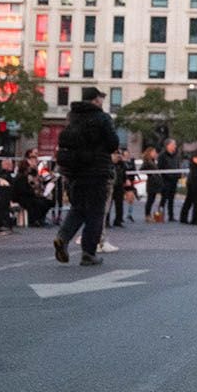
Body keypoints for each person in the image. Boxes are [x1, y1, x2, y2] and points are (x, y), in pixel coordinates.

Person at [53, 88, 120, 265]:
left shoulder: (73, 117)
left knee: (78, 208)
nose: (102, 102)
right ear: (95, 100)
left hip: (73, 171)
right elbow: (113, 144)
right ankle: (88, 253)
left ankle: (63, 237)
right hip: (97, 171)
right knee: (96, 212)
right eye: (100, 99)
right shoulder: (102, 118)